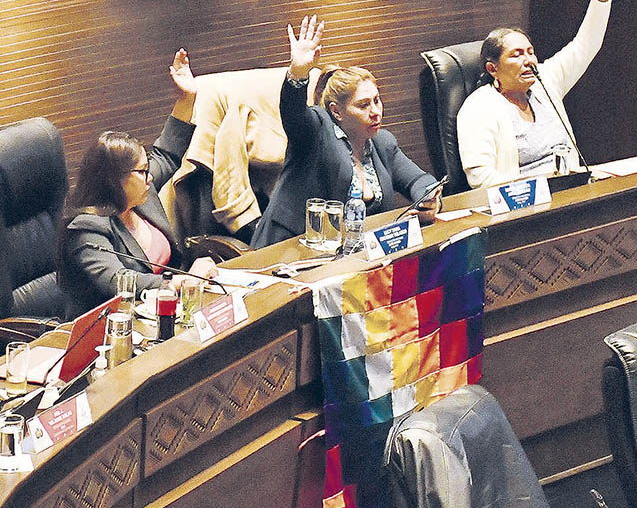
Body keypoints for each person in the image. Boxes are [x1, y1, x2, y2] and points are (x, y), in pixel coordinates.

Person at [250, 16, 442, 249]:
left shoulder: (382, 143)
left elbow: (421, 180)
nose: (375, 112)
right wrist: (298, 73)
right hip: (288, 252)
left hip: (350, 258)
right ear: (337, 112)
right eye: (363, 105)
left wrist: (428, 200)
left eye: (377, 100)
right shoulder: (316, 132)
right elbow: (293, 113)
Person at [59, 50, 220, 317]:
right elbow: (120, 281)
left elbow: (167, 153)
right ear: (116, 179)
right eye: (143, 171)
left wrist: (187, 98)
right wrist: (182, 282)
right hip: (112, 330)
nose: (151, 177)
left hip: (162, 312)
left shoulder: (140, 193)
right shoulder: (86, 230)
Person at [456, 0, 615, 189]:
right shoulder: (478, 108)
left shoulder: (546, 81)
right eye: (517, 54)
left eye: (530, 52)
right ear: (492, 69)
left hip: (570, 194)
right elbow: (480, 179)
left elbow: (586, 44)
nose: (529, 60)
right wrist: (536, 190)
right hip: (523, 207)